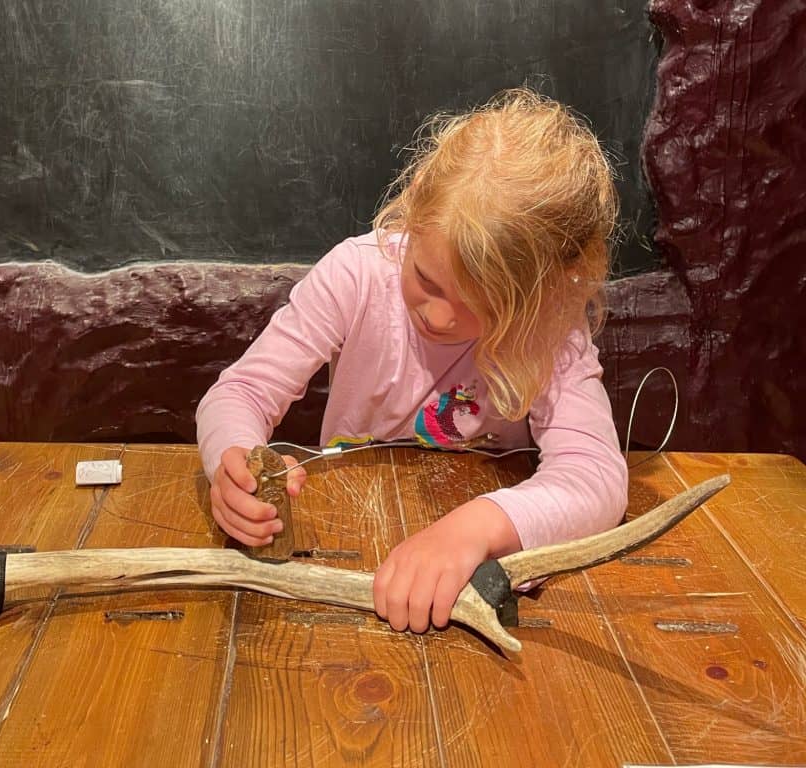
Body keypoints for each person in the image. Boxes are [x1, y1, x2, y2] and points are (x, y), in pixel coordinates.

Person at [196, 89, 628, 634]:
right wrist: (232, 459)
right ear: (416, 206)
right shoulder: (358, 275)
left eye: (482, 306)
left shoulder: (551, 326)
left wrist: (476, 528)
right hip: (345, 559)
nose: (442, 317)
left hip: (478, 585)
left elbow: (597, 479)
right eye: (426, 279)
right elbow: (240, 394)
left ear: (543, 294)